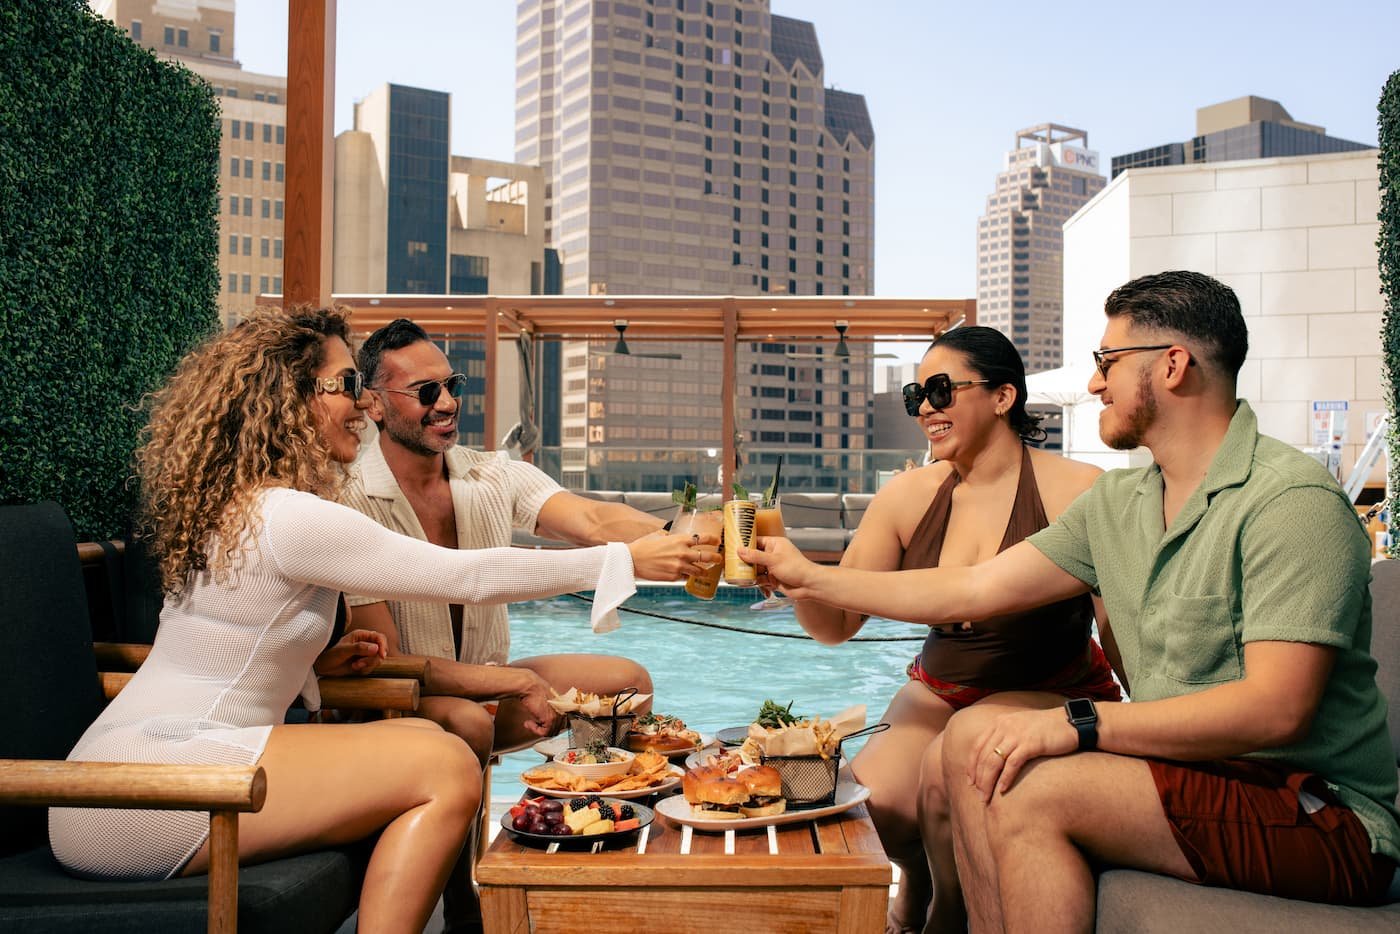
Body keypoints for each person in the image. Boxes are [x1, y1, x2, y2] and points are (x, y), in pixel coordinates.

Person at [748, 271, 1399, 932]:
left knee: (1022, 783)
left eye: (1107, 363)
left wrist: (1078, 722)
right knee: (976, 740)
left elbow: (1277, 711)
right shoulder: (1120, 505)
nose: (1093, 384)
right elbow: (974, 587)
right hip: (1196, 775)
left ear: (1173, 366)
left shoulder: (1291, 503)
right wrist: (810, 576)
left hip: (1317, 809)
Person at [48, 306, 708, 934]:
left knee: (446, 754)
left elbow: (224, 647)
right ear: (292, 398)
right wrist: (619, 560)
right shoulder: (289, 515)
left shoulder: (252, 505)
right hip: (141, 790)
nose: (362, 406)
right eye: (345, 387)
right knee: (443, 764)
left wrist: (312, 668)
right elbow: (466, 577)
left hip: (140, 776)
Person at [793, 326, 1118, 934]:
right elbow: (834, 626)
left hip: (1048, 683)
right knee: (876, 809)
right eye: (916, 393)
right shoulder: (905, 496)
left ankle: (948, 908)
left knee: (954, 763)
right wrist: (795, 582)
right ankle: (916, 878)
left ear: (1003, 397)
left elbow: (1117, 631)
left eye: (941, 389)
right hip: (942, 683)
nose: (925, 408)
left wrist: (1139, 725)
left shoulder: (1079, 491)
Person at [340, 318, 674, 755]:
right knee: (468, 719)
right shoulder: (348, 500)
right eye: (425, 392)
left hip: (489, 693)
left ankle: (594, 801)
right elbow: (389, 664)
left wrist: (680, 536)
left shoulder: (491, 475)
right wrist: (513, 681)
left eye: (451, 385)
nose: (446, 403)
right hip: (404, 704)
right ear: (376, 405)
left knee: (629, 686)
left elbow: (592, 518)